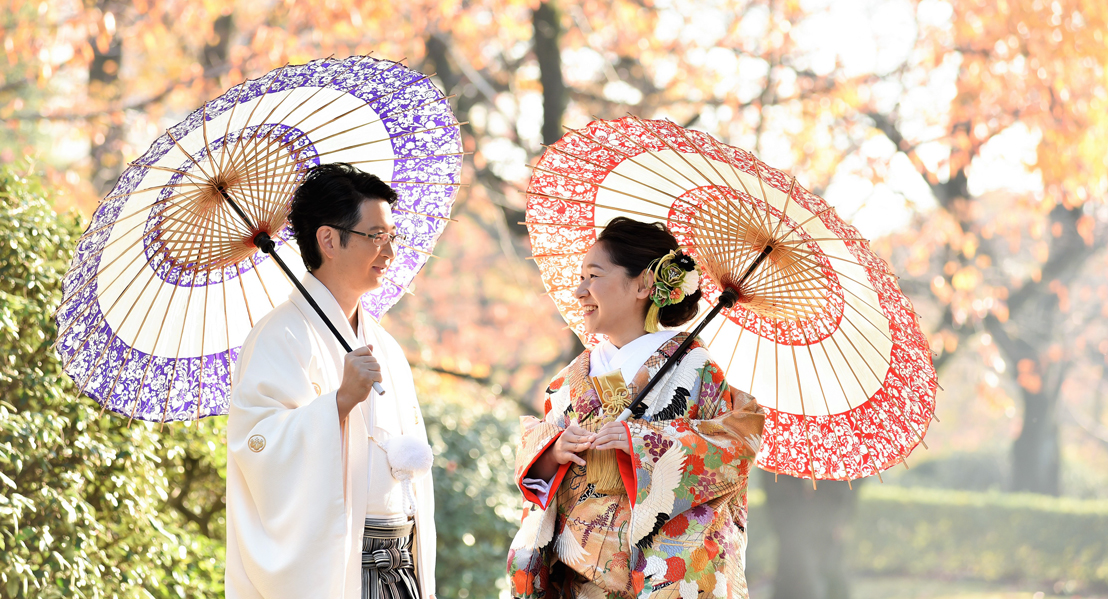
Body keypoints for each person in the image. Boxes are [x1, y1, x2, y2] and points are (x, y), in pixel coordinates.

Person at [507, 217, 765, 599]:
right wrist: (552, 449)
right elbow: (536, 445)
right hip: (577, 580)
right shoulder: (572, 377)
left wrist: (645, 443)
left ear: (644, 284)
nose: (580, 291)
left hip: (657, 577)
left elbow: (736, 447)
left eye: (593, 276)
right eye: (580, 277)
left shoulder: (696, 371)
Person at [226, 163, 436, 599]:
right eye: (376, 237)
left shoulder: (385, 346)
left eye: (392, 237)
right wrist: (338, 403)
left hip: (400, 561)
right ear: (328, 240)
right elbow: (256, 446)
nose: (390, 253)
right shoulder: (279, 335)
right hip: (337, 566)